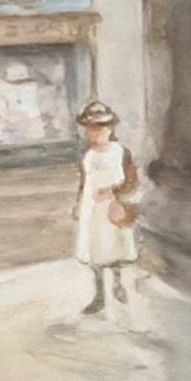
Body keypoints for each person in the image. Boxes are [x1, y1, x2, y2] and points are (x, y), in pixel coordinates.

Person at [72, 101, 139, 315]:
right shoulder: (88, 156)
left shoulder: (121, 152)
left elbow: (131, 181)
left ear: (110, 129)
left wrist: (113, 192)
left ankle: (117, 282)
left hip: (114, 207)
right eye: (91, 128)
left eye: (101, 127)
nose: (95, 132)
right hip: (92, 210)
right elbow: (84, 181)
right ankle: (99, 295)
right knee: (95, 251)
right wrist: (78, 202)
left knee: (116, 248)